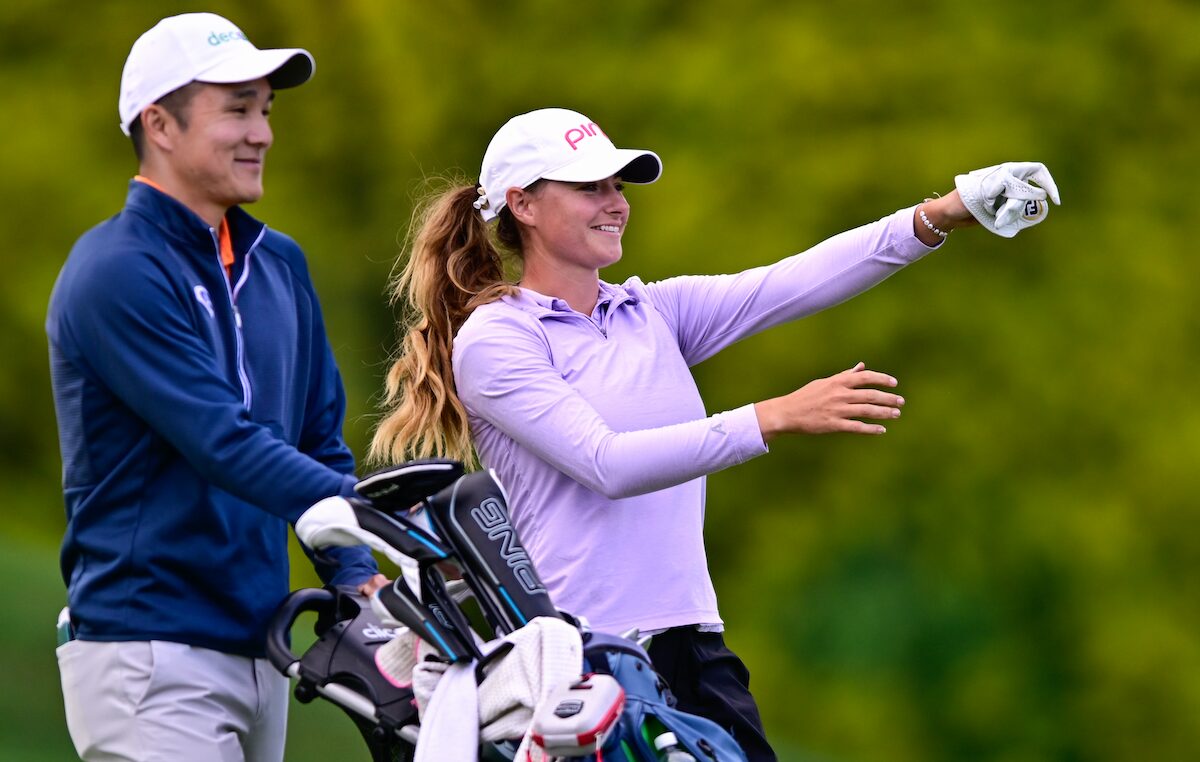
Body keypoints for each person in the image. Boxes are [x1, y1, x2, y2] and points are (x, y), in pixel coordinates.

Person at [369, 107, 1059, 761]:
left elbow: (796, 280)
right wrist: (771, 416)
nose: (617, 202)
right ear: (522, 204)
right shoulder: (497, 339)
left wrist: (939, 214)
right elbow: (606, 463)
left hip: (693, 643)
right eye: (590, 187)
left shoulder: (650, 311)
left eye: (618, 185)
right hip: (580, 662)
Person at [46, 13, 387, 762]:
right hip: (150, 649)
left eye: (264, 110)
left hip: (264, 647)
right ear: (160, 124)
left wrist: (358, 576)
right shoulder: (116, 271)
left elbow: (316, 438)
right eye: (236, 109)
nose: (261, 132)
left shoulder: (278, 264)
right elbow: (222, 441)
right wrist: (385, 526)